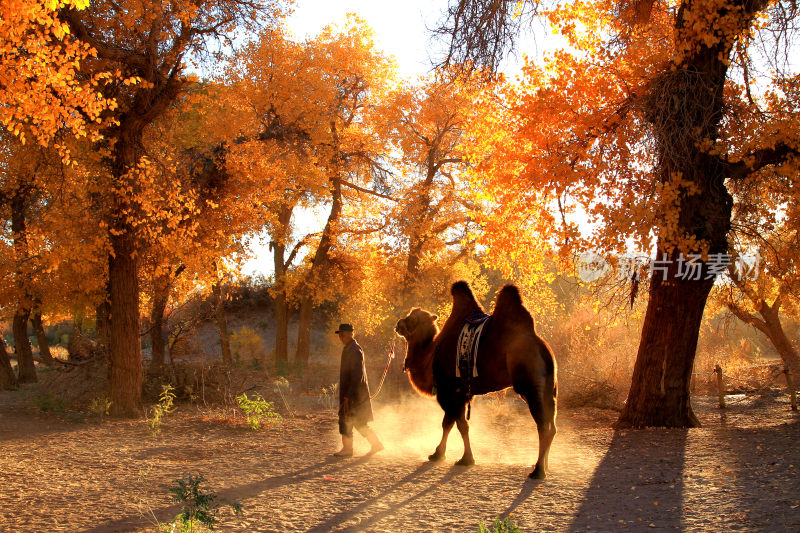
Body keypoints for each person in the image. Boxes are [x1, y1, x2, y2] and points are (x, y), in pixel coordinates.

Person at [333, 323, 384, 457]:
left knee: (346, 420)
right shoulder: (350, 348)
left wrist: (348, 395)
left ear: (350, 334)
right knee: (358, 422)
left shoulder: (354, 350)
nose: (340, 337)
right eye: (339, 335)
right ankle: (376, 444)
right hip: (354, 393)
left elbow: (357, 375)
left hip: (354, 395)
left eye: (342, 334)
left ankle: (348, 449)